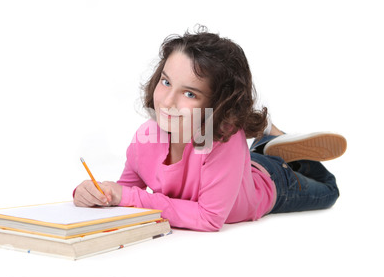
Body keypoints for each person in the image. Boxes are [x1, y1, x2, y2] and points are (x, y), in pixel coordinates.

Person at [72, 26, 347, 232]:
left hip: (273, 183)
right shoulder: (148, 136)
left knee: (329, 190)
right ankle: (266, 141)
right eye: (166, 82)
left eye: (189, 94)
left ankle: (276, 149)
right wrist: (96, 194)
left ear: (218, 103)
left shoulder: (220, 141)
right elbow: (125, 194)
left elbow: (210, 218)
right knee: (246, 157)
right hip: (235, 172)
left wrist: (129, 197)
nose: (167, 103)